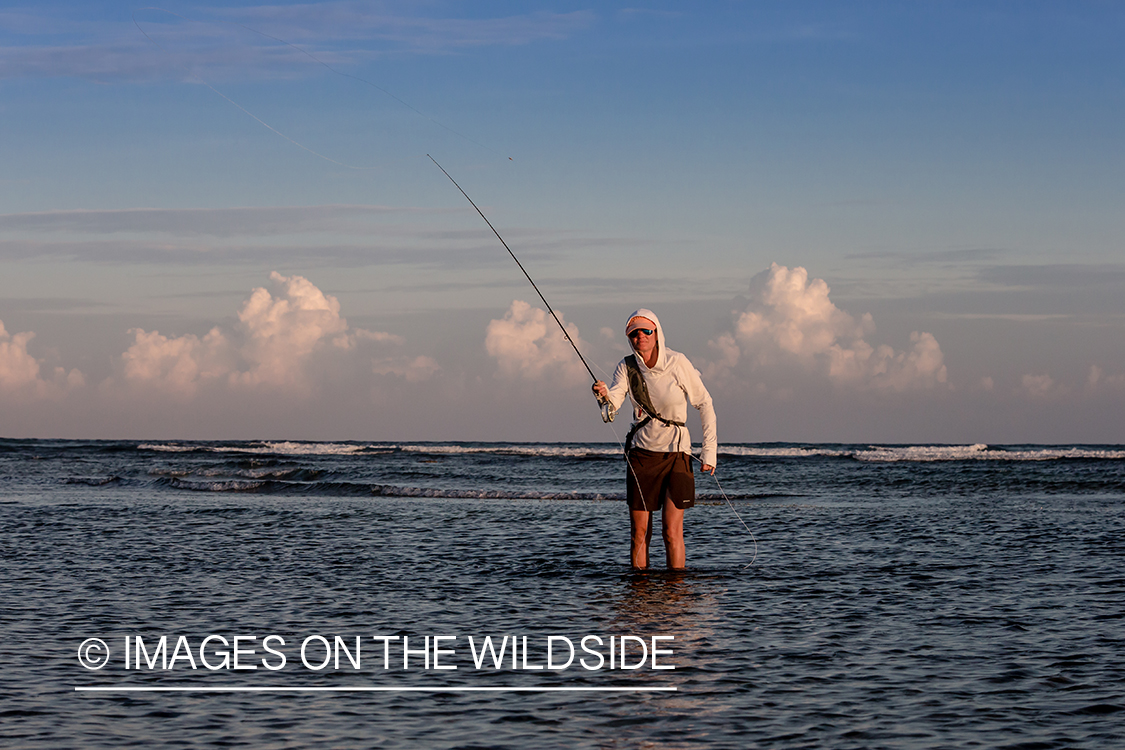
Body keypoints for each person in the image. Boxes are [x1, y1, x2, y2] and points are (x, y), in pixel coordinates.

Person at [592, 309, 717, 570]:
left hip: (678, 456)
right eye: (634, 333)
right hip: (641, 456)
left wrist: (710, 452)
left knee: (672, 532)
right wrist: (603, 396)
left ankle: (676, 594)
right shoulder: (626, 367)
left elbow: (704, 403)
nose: (640, 337)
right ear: (629, 338)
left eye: (646, 331)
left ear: (657, 332)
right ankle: (640, 597)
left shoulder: (678, 362)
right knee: (639, 533)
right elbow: (610, 411)